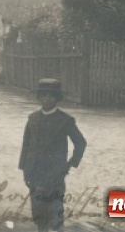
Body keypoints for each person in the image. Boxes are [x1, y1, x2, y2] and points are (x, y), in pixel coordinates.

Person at [19, 78, 87, 232]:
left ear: (57, 99)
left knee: (56, 214)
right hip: (34, 173)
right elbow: (26, 146)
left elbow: (80, 142)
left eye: (51, 96)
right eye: (43, 95)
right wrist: (24, 169)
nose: (47, 99)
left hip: (55, 173)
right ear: (39, 97)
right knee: (38, 214)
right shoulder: (32, 119)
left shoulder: (65, 120)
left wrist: (70, 164)